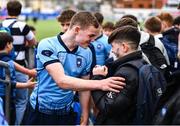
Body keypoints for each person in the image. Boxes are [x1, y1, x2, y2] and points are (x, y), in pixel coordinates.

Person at [21, 11, 125, 125]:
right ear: (77, 30)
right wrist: (101, 84)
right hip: (40, 111)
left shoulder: (87, 52)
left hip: (67, 112)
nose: (93, 40)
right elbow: (61, 81)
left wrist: (85, 115)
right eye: (91, 35)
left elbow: (84, 87)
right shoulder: (47, 44)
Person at [91, 25, 143, 124]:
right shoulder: (141, 62)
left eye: (113, 46)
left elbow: (107, 107)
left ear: (124, 47)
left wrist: (97, 77)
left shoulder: (126, 73)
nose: (112, 51)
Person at [1, 0, 37, 124]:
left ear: (7, 9)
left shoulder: (1, 24)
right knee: (21, 101)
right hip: (19, 65)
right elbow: (33, 42)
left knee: (5, 99)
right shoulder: (23, 25)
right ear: (20, 11)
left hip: (2, 65)